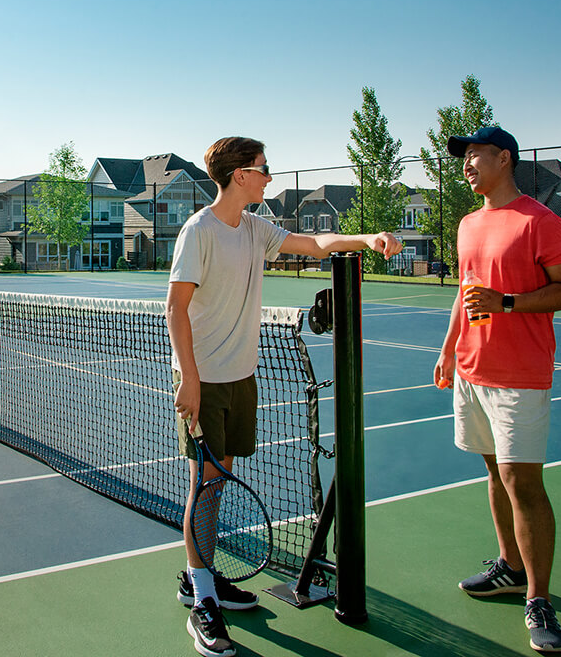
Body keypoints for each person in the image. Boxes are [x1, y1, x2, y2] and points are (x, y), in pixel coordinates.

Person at [167, 136, 402, 657]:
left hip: (242, 379)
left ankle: (198, 580)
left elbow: (315, 246)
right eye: (263, 169)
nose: (270, 176)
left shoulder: (255, 229)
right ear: (239, 175)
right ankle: (203, 597)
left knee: (220, 480)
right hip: (204, 382)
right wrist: (189, 377)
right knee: (205, 486)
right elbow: (175, 308)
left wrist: (367, 237)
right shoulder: (198, 231)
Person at [432, 126, 561, 654]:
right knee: (493, 471)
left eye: (475, 156)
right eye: (465, 158)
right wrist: (449, 347)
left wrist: (509, 304)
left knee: (523, 484)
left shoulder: (540, 222)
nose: (467, 165)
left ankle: (539, 598)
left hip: (520, 375)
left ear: (505, 158)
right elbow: (465, 290)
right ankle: (510, 567)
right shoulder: (468, 223)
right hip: (473, 371)